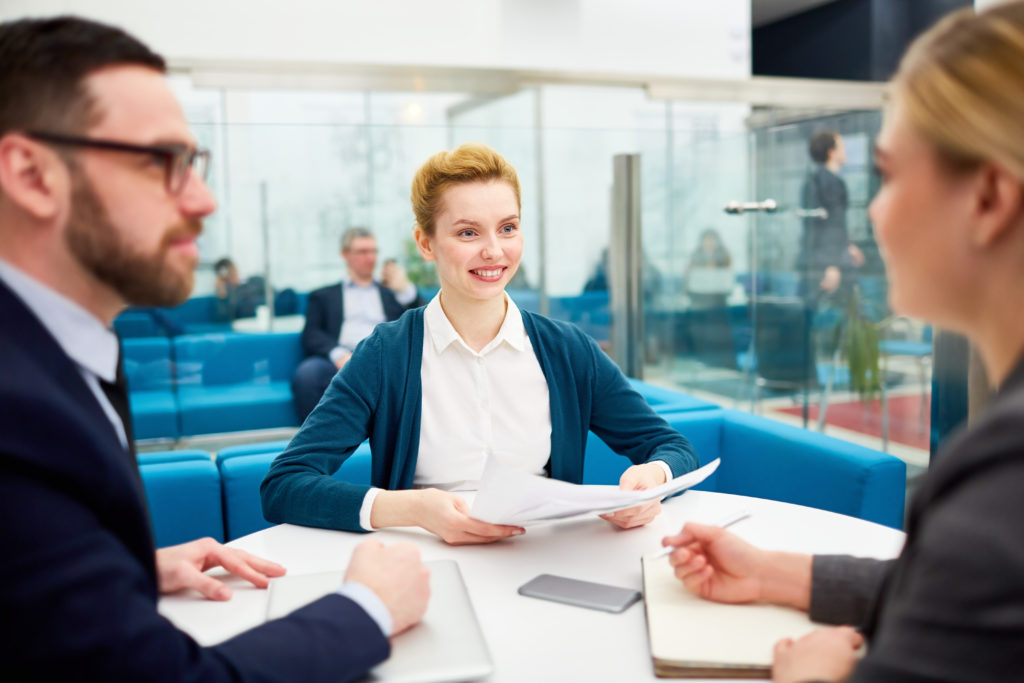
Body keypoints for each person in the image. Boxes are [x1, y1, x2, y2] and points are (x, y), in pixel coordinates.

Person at [0, 16, 429, 680]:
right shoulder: (18, 412)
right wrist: (368, 605)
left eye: (193, 163)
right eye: (161, 162)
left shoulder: (60, 354)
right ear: (31, 173)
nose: (202, 199)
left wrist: (125, 567)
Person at [661, 4, 1024, 681]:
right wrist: (773, 571)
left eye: (888, 176)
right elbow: (956, 599)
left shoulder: (1005, 474)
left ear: (988, 197)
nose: (876, 214)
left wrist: (818, 675)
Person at [262, 142, 698, 544]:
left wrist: (652, 480)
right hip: (424, 564)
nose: (494, 251)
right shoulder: (386, 354)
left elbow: (674, 449)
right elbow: (284, 485)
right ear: (426, 243)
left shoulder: (567, 349)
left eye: (507, 228)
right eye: (469, 233)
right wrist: (410, 508)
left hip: (548, 558)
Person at [292, 227, 424, 421]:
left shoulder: (391, 294)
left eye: (374, 251)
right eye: (362, 251)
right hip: (341, 358)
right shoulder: (324, 296)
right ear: (345, 254)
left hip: (384, 358)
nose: (370, 258)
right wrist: (339, 355)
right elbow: (312, 333)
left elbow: (422, 320)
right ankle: (314, 443)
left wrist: (405, 289)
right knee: (307, 374)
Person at [799, 130, 865, 298]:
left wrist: (848, 245)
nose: (845, 151)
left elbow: (834, 222)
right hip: (828, 260)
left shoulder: (815, 180)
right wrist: (831, 265)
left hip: (824, 256)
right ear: (831, 152)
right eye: (842, 146)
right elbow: (827, 225)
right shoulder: (829, 182)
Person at [685, 228, 733, 309]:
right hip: (698, 301)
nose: (709, 243)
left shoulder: (724, 256)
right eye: (706, 240)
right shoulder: (694, 258)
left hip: (719, 301)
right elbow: (687, 284)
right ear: (701, 242)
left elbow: (728, 283)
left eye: (712, 240)